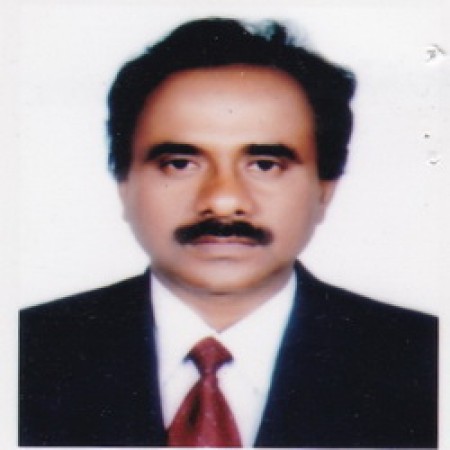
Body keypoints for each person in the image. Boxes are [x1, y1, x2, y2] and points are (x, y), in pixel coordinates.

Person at [19, 17, 438, 448]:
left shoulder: (425, 361)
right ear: (125, 184)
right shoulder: (25, 351)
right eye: (180, 164)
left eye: (265, 165)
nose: (222, 201)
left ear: (324, 189)